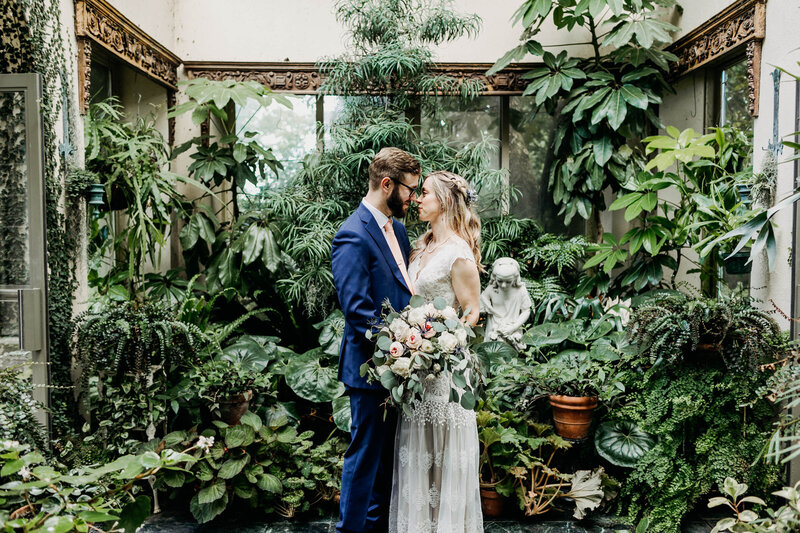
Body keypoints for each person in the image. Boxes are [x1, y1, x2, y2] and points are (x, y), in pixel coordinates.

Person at [332, 147, 421, 533]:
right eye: (409, 190)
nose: (413, 198)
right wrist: (401, 342)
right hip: (370, 370)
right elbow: (357, 312)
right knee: (364, 454)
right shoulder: (352, 235)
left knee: (388, 458)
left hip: (400, 368)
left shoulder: (397, 230)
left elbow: (402, 293)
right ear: (387, 185)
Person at [389, 171, 484, 533]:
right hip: (416, 369)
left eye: (424, 192)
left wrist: (441, 343)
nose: (417, 198)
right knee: (419, 456)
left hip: (444, 372)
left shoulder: (458, 253)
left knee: (444, 458)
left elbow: (471, 311)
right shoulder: (421, 246)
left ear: (444, 200)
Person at [480, 257, 532, 351]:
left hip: (513, 329)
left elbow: (526, 311)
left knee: (512, 359)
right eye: (500, 281)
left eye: (508, 282)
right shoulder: (492, 289)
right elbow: (482, 298)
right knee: (492, 355)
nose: (503, 285)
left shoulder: (520, 291)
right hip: (494, 329)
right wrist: (488, 307)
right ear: (495, 278)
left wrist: (513, 327)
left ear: (515, 278)